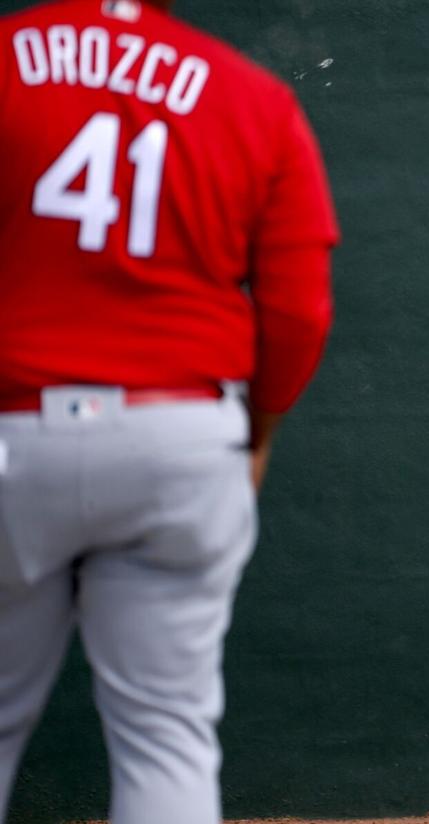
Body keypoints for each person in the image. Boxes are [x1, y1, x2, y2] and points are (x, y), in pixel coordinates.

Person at [0, 1, 338, 821]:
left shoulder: (8, 57)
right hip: (182, 436)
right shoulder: (248, 93)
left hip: (13, 424)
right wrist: (258, 432)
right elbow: (299, 312)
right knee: (167, 735)